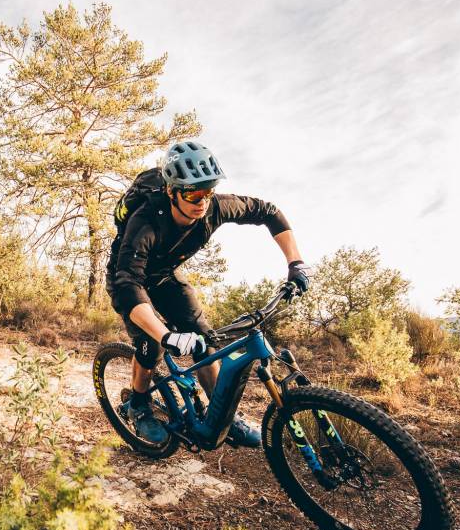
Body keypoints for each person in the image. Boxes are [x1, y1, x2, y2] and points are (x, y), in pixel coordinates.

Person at [105, 141, 312, 447]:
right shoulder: (146, 221)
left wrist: (296, 263)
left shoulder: (215, 208)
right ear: (172, 191)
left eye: (208, 191)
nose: (202, 201)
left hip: (164, 277)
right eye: (192, 194)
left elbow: (269, 213)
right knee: (152, 345)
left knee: (204, 340)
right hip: (128, 279)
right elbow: (128, 286)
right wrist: (166, 335)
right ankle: (137, 404)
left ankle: (221, 417)